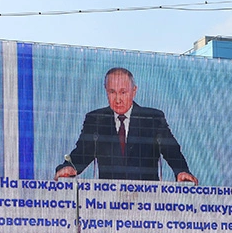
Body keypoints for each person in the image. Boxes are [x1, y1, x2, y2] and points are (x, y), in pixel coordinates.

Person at [55, 67, 198, 183]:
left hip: (147, 202)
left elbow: (171, 150)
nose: (118, 99)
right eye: (112, 92)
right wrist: (69, 167)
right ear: (106, 91)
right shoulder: (96, 120)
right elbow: (82, 153)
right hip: (108, 203)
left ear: (134, 91)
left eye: (123, 92)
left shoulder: (152, 118)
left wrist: (181, 170)